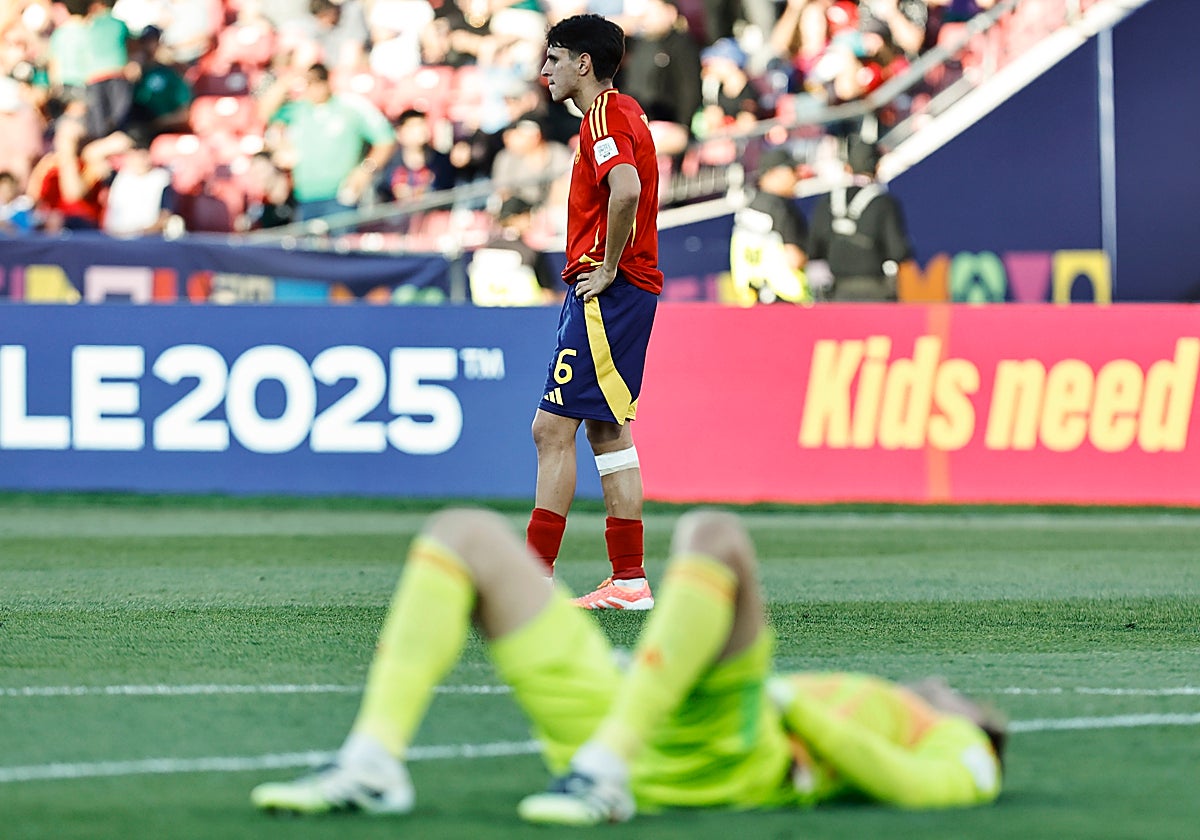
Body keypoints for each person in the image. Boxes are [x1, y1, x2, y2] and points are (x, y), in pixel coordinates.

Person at [249, 507, 1006, 823]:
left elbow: (917, 787)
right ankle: (372, 761)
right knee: (463, 532)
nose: (954, 690)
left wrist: (787, 703)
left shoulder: (958, 748)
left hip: (719, 754)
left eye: (971, 703)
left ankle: (606, 774)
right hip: (619, 711)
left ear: (976, 725)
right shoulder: (887, 699)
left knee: (715, 532)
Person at [525, 14, 664, 610]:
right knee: (608, 431)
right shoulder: (619, 114)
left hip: (609, 290)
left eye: (553, 58)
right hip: (622, 290)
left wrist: (606, 265)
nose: (544, 70)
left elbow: (626, 187)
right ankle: (628, 579)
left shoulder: (605, 114)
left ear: (584, 63)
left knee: (551, 428)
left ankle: (531, 578)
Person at [261, 62, 395, 221]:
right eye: (309, 82)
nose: (315, 87)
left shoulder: (350, 106)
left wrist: (365, 170)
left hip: (342, 194)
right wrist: (286, 81)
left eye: (319, 80)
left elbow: (385, 139)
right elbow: (264, 113)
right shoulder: (300, 110)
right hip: (306, 196)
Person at [806, 134, 912, 301]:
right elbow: (898, 250)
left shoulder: (826, 201)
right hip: (876, 290)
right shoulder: (884, 203)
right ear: (877, 168)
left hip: (836, 292)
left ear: (847, 168)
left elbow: (813, 249)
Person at [729, 146, 812, 305]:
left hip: (751, 298)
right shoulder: (781, 208)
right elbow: (794, 258)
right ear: (773, 173)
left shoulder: (748, 207)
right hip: (785, 298)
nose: (797, 176)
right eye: (792, 170)